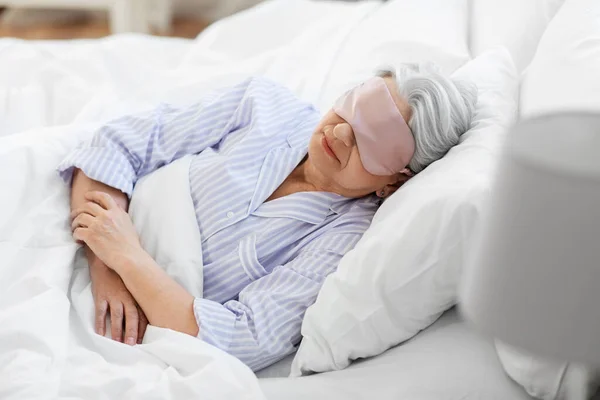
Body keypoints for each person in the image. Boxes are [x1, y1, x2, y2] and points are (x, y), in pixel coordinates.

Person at [59, 64, 477, 372]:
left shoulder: (344, 243)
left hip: (129, 332)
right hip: (74, 235)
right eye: (353, 107)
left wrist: (130, 258)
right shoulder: (262, 105)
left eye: (374, 138)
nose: (341, 133)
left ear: (395, 181)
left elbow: (241, 338)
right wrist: (106, 264)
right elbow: (117, 145)